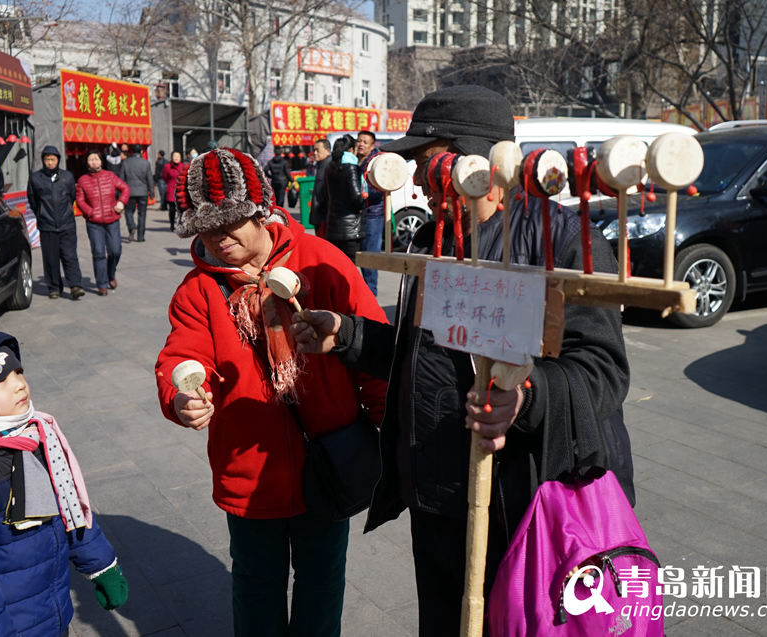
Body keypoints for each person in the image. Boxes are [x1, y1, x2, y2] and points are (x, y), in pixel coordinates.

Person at [290, 85, 634, 637]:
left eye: (429, 166)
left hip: (518, 502)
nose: (421, 187)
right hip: (437, 494)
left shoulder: (561, 241)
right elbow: (425, 354)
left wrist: (523, 398)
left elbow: (601, 372)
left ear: (476, 161)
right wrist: (350, 337)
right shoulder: (434, 239)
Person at [154, 148, 388, 637]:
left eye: (232, 223)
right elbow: (183, 354)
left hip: (326, 460)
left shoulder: (321, 261)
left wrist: (392, 421)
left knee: (322, 585)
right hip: (249, 471)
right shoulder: (198, 291)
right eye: (207, 228)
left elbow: (374, 347)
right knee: (256, 586)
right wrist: (181, 397)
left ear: (261, 211)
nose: (220, 239)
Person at [0, 330, 128, 636]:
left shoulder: (32, 439)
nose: (18, 384)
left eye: (18, 371)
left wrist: (101, 564)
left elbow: (69, 508)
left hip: (49, 616)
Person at [27, 145, 84, 299]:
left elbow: (71, 196)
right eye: (47, 160)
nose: (50, 162)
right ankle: (54, 288)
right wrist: (42, 215)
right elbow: (33, 200)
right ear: (43, 161)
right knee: (51, 258)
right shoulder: (35, 178)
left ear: (58, 160)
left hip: (67, 224)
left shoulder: (67, 177)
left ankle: (75, 285)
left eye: (53, 159)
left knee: (70, 255)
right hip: (47, 225)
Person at [76, 149, 130, 295]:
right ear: (87, 162)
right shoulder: (82, 180)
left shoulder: (110, 176)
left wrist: (121, 203)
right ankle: (102, 283)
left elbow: (125, 188)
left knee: (115, 251)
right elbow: (80, 201)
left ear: (101, 161)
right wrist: (90, 212)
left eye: (96, 159)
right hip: (94, 223)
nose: (94, 162)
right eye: (91, 159)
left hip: (112, 219)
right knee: (99, 252)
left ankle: (110, 274)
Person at [323, 135, 363, 262]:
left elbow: (326, 194)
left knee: (336, 265)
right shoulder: (351, 167)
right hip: (350, 229)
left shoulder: (330, 167)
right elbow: (356, 197)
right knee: (350, 267)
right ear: (351, 150)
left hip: (332, 226)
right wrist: (364, 204)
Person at [355, 130, 383, 295]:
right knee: (361, 257)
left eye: (365, 142)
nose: (361, 144)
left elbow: (380, 189)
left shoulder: (375, 162)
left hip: (373, 214)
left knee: (370, 259)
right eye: (359, 141)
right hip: (361, 213)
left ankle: (371, 294)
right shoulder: (358, 161)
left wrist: (359, 194)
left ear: (372, 145)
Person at [121, 144, 155, 242]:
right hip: (143, 192)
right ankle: (141, 236)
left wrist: (120, 194)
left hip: (129, 192)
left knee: (128, 211)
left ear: (131, 151)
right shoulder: (146, 163)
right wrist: (151, 192)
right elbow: (150, 179)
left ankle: (132, 227)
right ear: (141, 152)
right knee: (142, 214)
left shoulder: (125, 162)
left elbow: (121, 179)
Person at [308, 138, 331, 238]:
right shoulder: (321, 165)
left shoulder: (328, 166)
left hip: (323, 216)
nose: (315, 153)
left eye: (318, 150)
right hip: (320, 215)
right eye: (314, 150)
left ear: (328, 151)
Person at [162, 150, 187, 231]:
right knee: (172, 209)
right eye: (174, 156)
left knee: (182, 210)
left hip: (182, 191)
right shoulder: (167, 166)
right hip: (171, 190)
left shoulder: (184, 166)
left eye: (178, 156)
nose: (176, 158)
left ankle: (181, 225)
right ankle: (172, 224)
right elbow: (165, 178)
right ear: (171, 157)